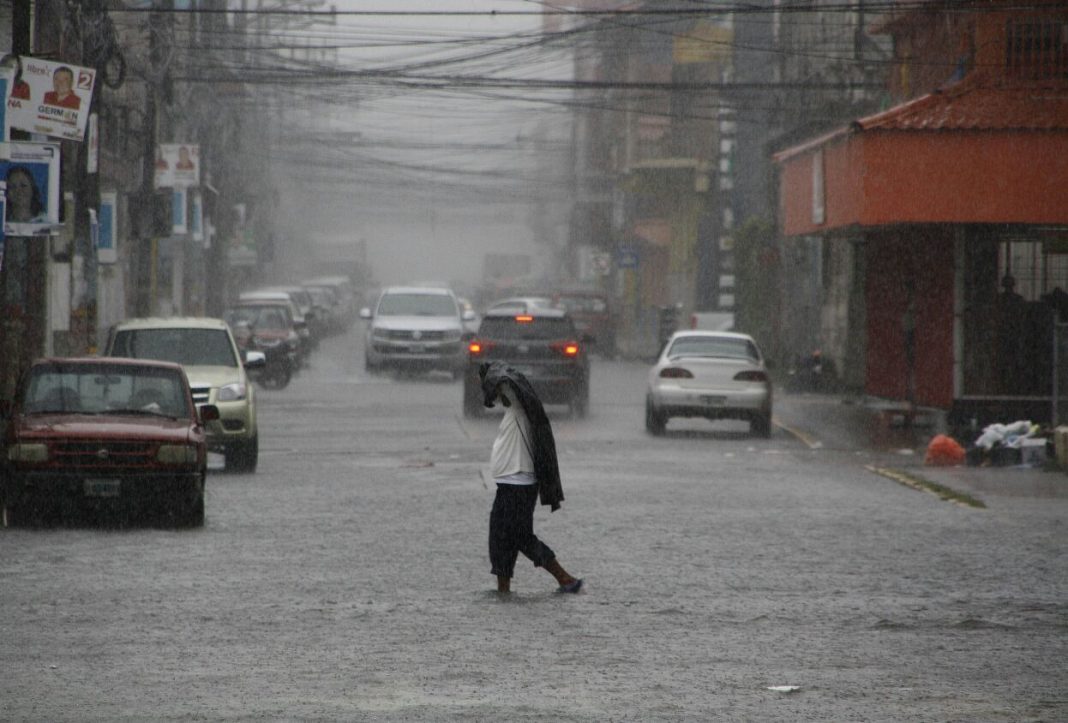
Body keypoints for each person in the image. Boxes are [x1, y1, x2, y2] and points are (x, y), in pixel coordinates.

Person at [479, 361, 583, 595]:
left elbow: (507, 382)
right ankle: (503, 589)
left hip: (519, 484)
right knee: (500, 537)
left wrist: (490, 375)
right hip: (509, 484)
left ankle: (565, 578)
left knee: (519, 537)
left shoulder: (519, 407)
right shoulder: (515, 411)